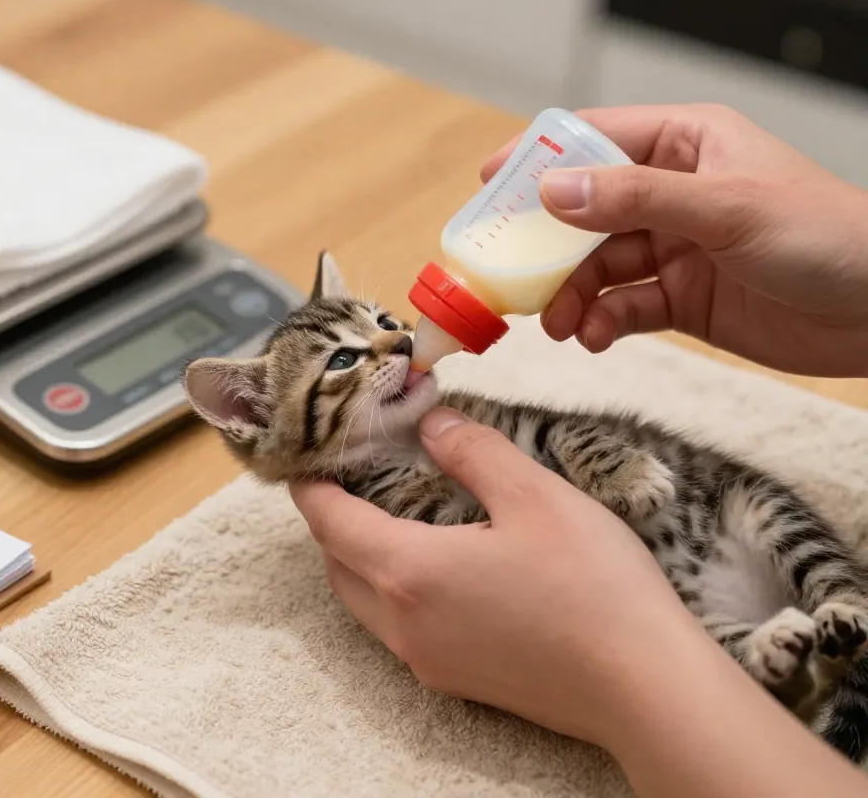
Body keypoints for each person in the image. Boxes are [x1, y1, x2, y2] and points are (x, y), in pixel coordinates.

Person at [290, 103, 868, 797]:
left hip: (709, 519)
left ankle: (841, 601)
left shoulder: (458, 411)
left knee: (758, 505)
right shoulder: (384, 498)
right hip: (684, 602)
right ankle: (763, 667)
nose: (393, 345)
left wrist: (612, 659)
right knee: (709, 625)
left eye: (383, 325)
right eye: (344, 361)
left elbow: (553, 437)